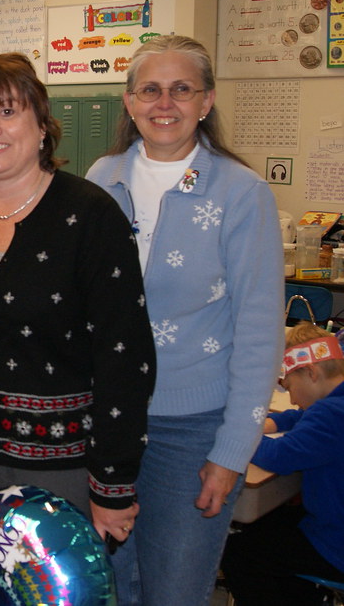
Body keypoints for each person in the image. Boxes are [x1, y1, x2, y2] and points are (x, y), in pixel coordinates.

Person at [85, 34, 284, 605]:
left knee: (173, 592)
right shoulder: (101, 180)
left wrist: (231, 453)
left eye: (181, 89)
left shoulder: (240, 192)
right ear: (129, 102)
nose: (164, 103)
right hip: (105, 423)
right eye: (150, 90)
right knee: (107, 590)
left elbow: (259, 335)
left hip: (192, 431)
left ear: (206, 101)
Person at [0, 53, 155, 547]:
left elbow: (125, 358)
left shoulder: (91, 216)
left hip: (64, 475)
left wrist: (112, 485)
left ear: (41, 126)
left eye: (8, 111)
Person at [221, 324, 344, 605]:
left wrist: (238, 434)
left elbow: (277, 456)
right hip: (333, 526)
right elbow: (301, 416)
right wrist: (273, 423)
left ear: (311, 373)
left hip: (335, 544)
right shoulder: (335, 405)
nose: (291, 398)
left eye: (289, 386)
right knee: (268, 527)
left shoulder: (330, 415)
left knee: (239, 552)